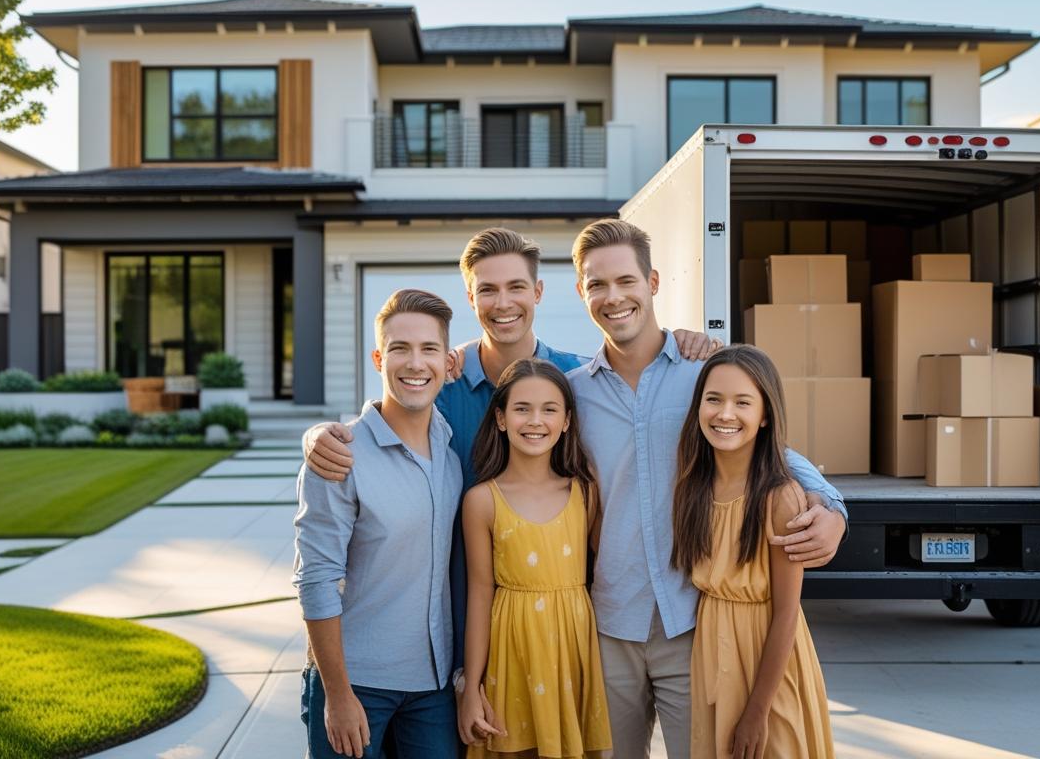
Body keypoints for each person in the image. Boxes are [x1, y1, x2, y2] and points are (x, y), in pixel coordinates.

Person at [302, 227, 722, 703]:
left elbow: (736, 434)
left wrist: (824, 494)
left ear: (539, 292)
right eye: (488, 289)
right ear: (470, 297)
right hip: (457, 628)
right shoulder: (444, 383)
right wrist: (322, 435)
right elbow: (392, 407)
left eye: (517, 287)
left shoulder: (577, 382)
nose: (503, 304)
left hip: (561, 625)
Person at [566, 218, 847, 759]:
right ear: (581, 291)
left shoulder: (703, 375)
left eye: (625, 280)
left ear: (652, 282)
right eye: (596, 284)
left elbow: (768, 448)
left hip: (693, 623)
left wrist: (831, 504)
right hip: (610, 623)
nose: (612, 296)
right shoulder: (573, 393)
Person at [293, 289, 466, 759]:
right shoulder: (340, 454)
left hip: (433, 688)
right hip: (357, 684)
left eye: (429, 349)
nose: (415, 363)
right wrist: (337, 694)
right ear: (377, 358)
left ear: (448, 362)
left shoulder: (450, 452)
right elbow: (316, 578)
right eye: (399, 349)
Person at [671, 345, 834, 759]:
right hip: (713, 656)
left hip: (769, 665)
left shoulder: (779, 498)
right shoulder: (694, 487)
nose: (725, 414)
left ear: (765, 416)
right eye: (714, 400)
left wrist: (757, 711)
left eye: (743, 402)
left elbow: (786, 612)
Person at [457, 358, 612, 759]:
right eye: (522, 408)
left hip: (572, 651)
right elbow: (479, 595)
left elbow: (601, 571)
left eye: (549, 409)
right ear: (501, 418)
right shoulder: (481, 501)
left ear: (566, 421)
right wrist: (471, 687)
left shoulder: (584, 490)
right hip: (512, 653)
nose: (535, 421)